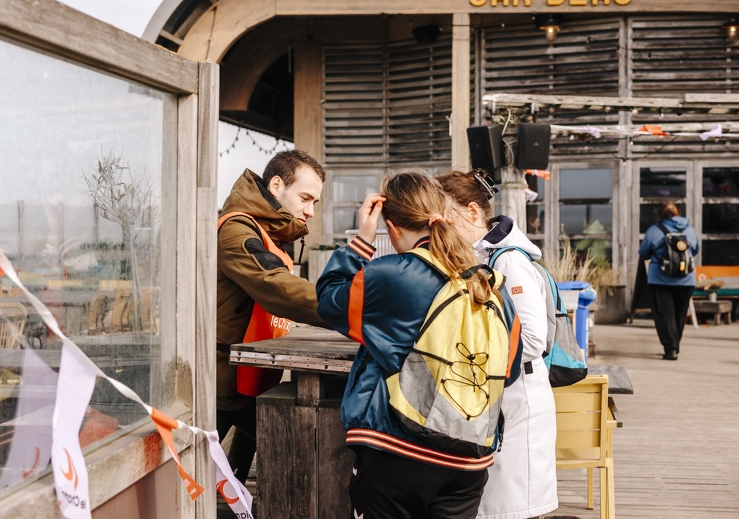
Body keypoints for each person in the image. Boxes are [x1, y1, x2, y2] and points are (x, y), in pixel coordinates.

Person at [316, 170, 515, 519]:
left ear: (390, 227)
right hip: (470, 461)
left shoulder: (392, 275)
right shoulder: (489, 285)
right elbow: (508, 370)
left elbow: (331, 300)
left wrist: (360, 242)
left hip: (399, 450)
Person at [437, 169, 558, 519]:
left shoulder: (509, 260)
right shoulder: (486, 257)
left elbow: (534, 339)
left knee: (512, 508)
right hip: (503, 397)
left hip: (520, 399)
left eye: (446, 217)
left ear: (473, 212)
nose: (440, 228)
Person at [216, 149, 328, 483]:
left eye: (315, 204)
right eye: (305, 198)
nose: (309, 211)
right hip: (221, 381)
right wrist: (349, 309)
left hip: (248, 376)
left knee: (238, 467)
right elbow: (276, 288)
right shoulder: (237, 229)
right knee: (198, 475)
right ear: (276, 186)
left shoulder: (272, 233)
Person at [638, 201, 699, 360]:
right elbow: (696, 250)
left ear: (662, 215)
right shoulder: (690, 230)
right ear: (678, 213)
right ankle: (675, 345)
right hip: (686, 280)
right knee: (680, 315)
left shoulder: (654, 230)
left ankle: (670, 348)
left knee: (664, 315)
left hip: (660, 279)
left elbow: (644, 253)